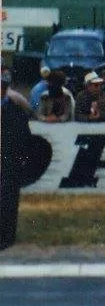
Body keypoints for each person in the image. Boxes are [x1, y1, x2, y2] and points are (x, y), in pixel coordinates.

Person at [1, 70, 36, 250]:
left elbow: (25, 137)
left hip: (9, 162)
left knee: (8, 201)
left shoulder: (15, 110)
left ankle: (6, 237)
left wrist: (21, 159)